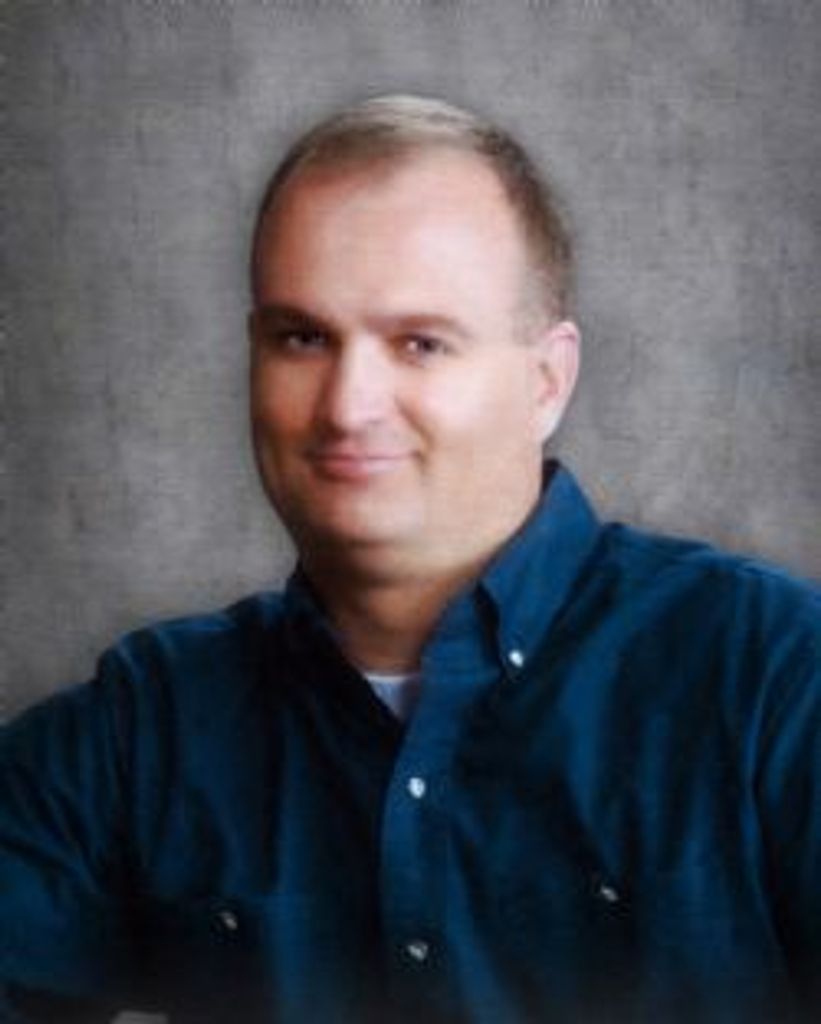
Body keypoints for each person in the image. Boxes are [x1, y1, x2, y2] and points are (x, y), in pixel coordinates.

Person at [1, 94, 819, 1024]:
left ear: (546, 381)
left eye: (420, 344)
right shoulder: (144, 731)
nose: (347, 406)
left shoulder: (775, 678)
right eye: (303, 338)